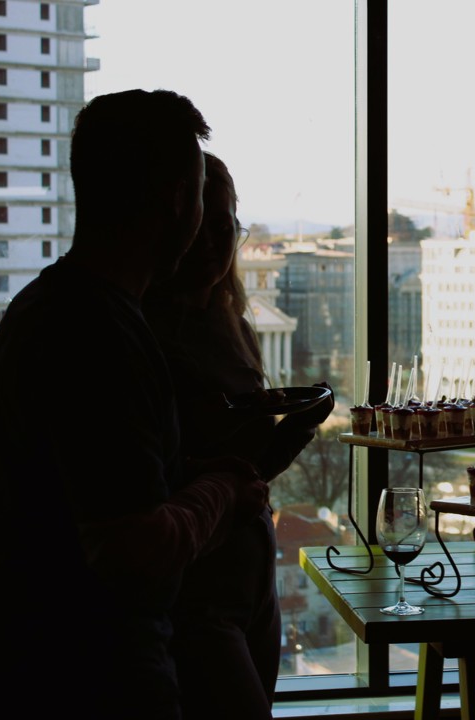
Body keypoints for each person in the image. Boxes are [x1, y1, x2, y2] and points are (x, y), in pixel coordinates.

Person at [0, 90, 269, 720]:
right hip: (92, 683)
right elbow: (135, 551)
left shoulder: (55, 310)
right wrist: (224, 488)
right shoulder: (97, 335)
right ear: (180, 200)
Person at [143, 152, 334, 719]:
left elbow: (244, 466)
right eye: (200, 225)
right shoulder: (146, 334)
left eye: (224, 227)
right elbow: (165, 472)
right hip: (199, 589)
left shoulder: (235, 328)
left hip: (253, 580)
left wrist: (297, 427)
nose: (211, 242)